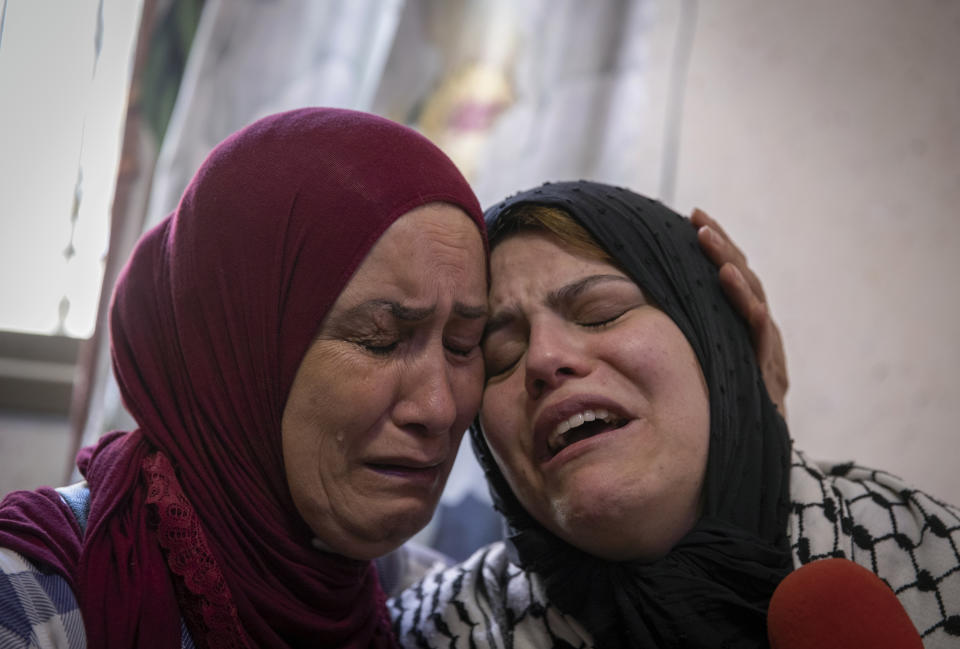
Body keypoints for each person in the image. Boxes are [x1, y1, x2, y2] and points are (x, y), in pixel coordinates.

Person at [388, 180, 960, 648]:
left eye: (600, 312)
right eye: (500, 354)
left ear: (720, 350)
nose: (544, 358)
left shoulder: (930, 555)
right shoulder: (432, 634)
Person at [0, 107, 489, 649]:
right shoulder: (34, 603)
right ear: (236, 352)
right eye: (379, 339)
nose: (440, 407)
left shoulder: (431, 611)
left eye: (464, 345)